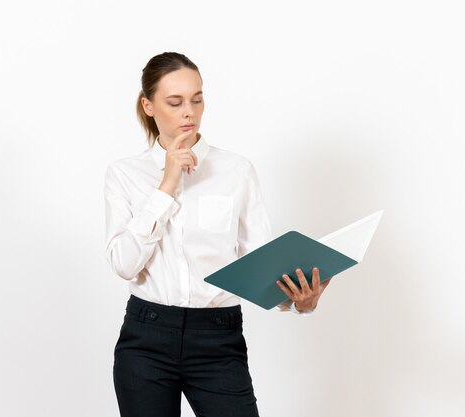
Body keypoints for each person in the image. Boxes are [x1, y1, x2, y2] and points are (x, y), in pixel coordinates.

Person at [104, 52, 332, 417]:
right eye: (175, 102)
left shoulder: (235, 171)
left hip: (217, 339)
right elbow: (124, 264)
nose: (189, 112)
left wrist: (297, 302)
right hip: (146, 339)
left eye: (197, 99)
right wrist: (166, 187)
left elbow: (260, 261)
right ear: (148, 105)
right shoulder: (124, 175)